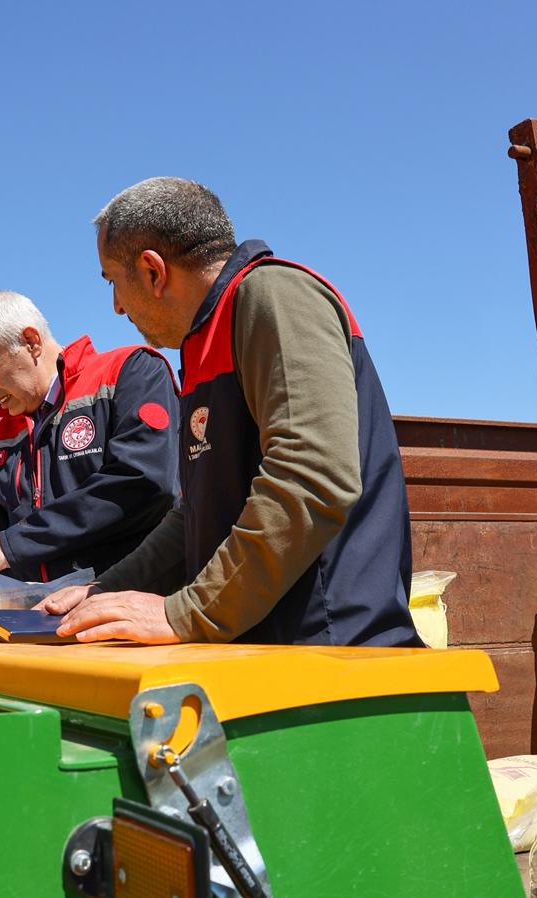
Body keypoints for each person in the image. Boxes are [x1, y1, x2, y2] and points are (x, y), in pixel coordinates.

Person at [41, 177, 421, 647]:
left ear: (153, 271)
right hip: (258, 651)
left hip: (332, 653)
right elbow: (194, 516)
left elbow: (311, 476)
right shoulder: (204, 342)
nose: (117, 306)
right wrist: (104, 591)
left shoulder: (275, 295)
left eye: (112, 282)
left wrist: (190, 612)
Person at [0, 290, 180, 582]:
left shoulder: (130, 372)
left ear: (31, 342)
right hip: (37, 608)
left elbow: (145, 482)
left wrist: (15, 543)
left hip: (133, 599)